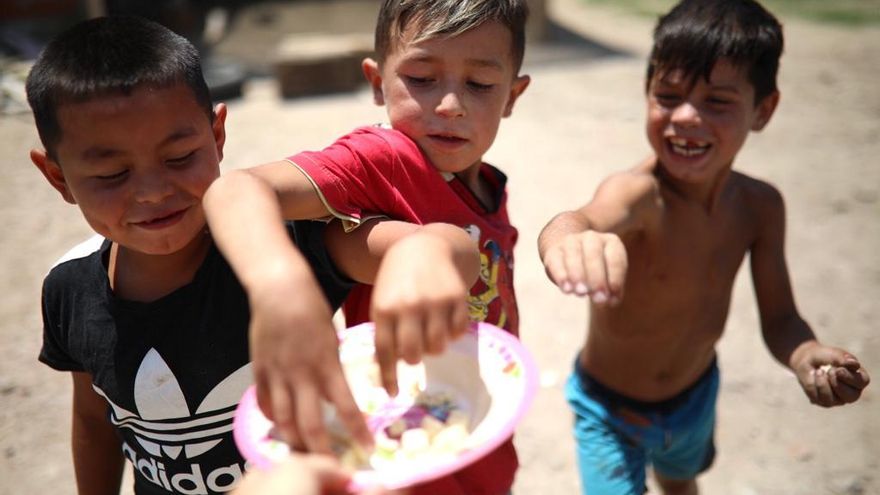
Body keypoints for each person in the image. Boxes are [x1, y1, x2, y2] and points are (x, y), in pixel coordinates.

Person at [26, 15, 479, 495]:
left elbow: (445, 247)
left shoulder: (278, 246)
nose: (153, 192)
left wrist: (425, 251)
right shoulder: (67, 289)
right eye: (112, 174)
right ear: (58, 178)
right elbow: (95, 421)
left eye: (180, 158)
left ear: (217, 135)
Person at [537, 1, 872, 494]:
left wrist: (804, 354)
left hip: (694, 398)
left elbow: (781, 320)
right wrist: (566, 238)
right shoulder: (639, 195)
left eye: (717, 101)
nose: (687, 118)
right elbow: (581, 219)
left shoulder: (760, 207)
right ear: (647, 92)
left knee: (681, 483)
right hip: (609, 408)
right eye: (667, 96)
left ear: (763, 109)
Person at [202, 1, 531, 493]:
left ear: (512, 94)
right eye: (421, 78)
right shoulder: (380, 160)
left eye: (480, 85)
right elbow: (236, 189)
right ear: (378, 83)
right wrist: (279, 286)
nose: (450, 105)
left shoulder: (488, 183)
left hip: (478, 427)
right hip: (398, 439)